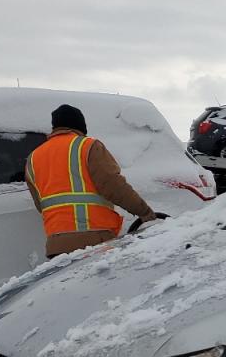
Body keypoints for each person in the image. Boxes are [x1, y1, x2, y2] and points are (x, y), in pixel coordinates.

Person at [25, 104, 158, 258]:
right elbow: (114, 186)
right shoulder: (87, 146)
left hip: (56, 247)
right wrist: (145, 212)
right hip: (93, 241)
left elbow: (40, 204)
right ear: (80, 126)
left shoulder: (33, 158)